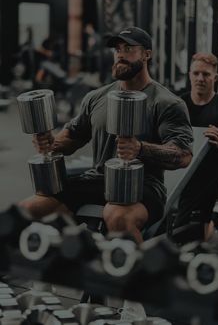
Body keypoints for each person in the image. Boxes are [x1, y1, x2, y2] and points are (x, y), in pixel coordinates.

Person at [20, 27, 193, 243]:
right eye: (117, 49)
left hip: (144, 187)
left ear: (147, 54)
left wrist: (140, 148)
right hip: (98, 179)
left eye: (128, 48)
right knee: (28, 209)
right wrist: (51, 142)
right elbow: (71, 138)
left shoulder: (166, 102)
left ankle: (131, 273)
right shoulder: (96, 97)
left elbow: (183, 155)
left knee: (117, 216)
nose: (120, 54)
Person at [175, 52, 218, 240]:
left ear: (215, 78)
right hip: (188, 177)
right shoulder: (178, 105)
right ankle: (214, 220)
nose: (200, 78)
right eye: (196, 73)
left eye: (206, 74)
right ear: (190, 74)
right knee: (184, 239)